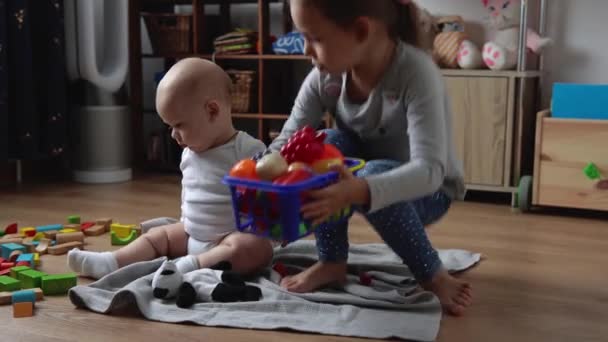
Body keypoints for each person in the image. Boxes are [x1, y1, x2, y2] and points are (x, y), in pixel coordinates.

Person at [268, 0, 472, 315]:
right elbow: (289, 140)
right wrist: (260, 172)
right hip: (362, 177)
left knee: (369, 172)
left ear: (362, 30)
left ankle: (433, 274)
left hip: (429, 190)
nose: (305, 50)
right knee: (325, 142)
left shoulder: (416, 72)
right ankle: (331, 262)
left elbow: (430, 170)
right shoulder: (326, 76)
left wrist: (360, 189)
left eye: (316, 38)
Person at [68, 58, 273, 281]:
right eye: (170, 127)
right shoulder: (189, 152)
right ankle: (113, 262)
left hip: (228, 240)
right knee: (159, 235)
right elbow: (189, 193)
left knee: (254, 247)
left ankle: (187, 267)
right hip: (191, 234)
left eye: (179, 125)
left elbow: (269, 195)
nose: (174, 135)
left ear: (212, 111)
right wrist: (184, 223)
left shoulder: (247, 149)